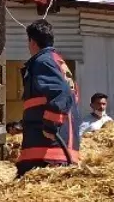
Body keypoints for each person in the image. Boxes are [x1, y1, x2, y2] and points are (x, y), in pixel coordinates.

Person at [17, 19, 81, 177]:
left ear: (32, 41)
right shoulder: (57, 62)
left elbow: (61, 92)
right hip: (54, 148)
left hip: (47, 150)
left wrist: (50, 124)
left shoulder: (43, 61)